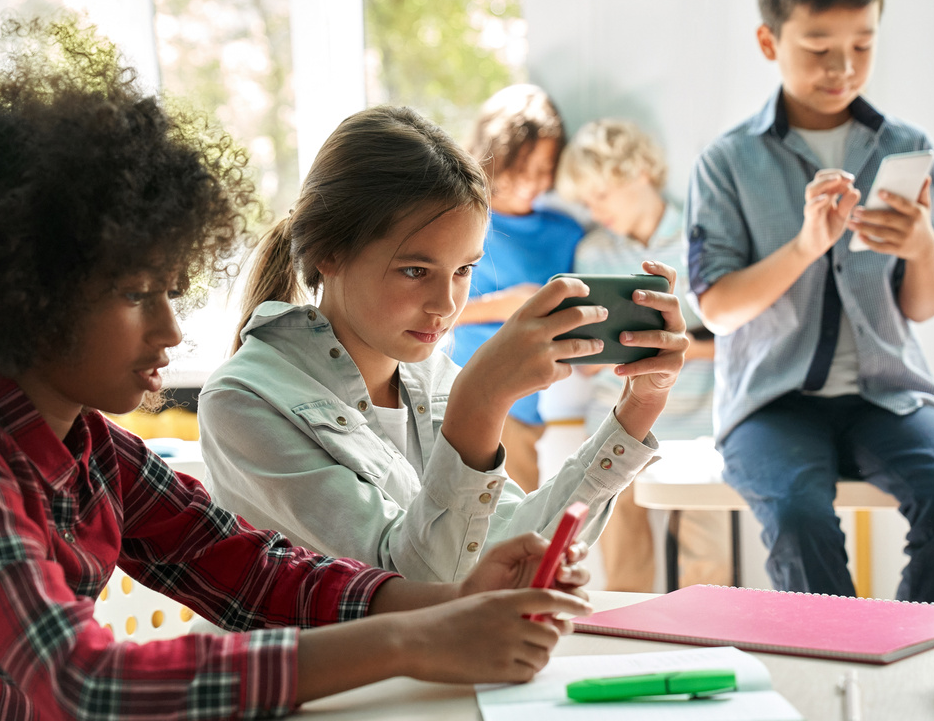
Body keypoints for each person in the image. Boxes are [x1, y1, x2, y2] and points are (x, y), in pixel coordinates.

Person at [0, 18, 598, 721]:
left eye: (170, 290)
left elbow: (259, 574)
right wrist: (414, 637)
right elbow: (90, 685)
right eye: (137, 294)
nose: (170, 329)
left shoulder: (96, 451)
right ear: (27, 296)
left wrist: (447, 600)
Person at [198, 105, 689, 583]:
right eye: (416, 270)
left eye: (463, 270)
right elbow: (419, 589)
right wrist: (481, 400)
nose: (445, 305)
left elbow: (514, 549)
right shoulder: (244, 403)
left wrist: (639, 407)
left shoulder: (431, 378)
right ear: (329, 251)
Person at [686, 0, 934, 603]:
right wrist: (805, 247)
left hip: (888, 393)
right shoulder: (728, 161)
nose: (844, 67)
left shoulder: (906, 148)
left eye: (863, 44)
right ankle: (834, 668)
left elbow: (921, 306)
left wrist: (920, 249)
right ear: (769, 42)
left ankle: (903, 659)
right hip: (772, 402)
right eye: (819, 47)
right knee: (800, 522)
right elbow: (715, 310)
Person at [557, 118, 731, 592]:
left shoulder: (703, 239)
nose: (594, 209)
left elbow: (736, 337)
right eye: (586, 200)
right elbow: (588, 354)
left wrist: (675, 349)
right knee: (622, 559)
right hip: (613, 422)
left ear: (639, 174)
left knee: (708, 564)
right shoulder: (593, 252)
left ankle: (704, 652)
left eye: (601, 195)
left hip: (697, 427)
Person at [447, 84, 585, 492]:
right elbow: (430, 311)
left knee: (513, 530)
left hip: (527, 404)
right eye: (522, 168)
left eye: (544, 169)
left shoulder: (566, 233)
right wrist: (507, 305)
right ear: (494, 154)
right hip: (462, 392)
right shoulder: (462, 219)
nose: (532, 182)